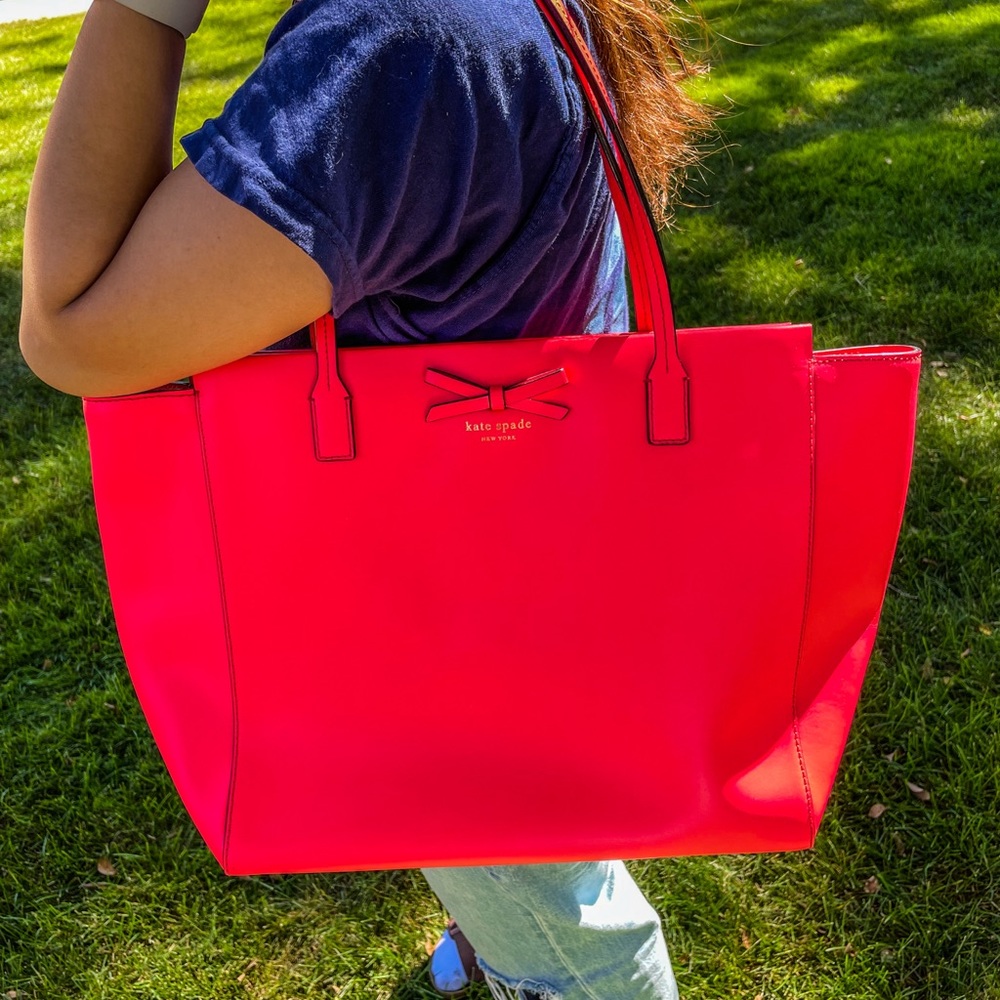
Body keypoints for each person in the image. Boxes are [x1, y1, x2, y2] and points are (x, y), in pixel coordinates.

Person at [19, 0, 711, 996]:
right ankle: (502, 930)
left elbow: (73, 328)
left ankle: (541, 961)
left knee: (573, 926)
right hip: (536, 540)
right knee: (538, 817)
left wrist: (144, 10)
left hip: (450, 617)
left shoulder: (395, 44)